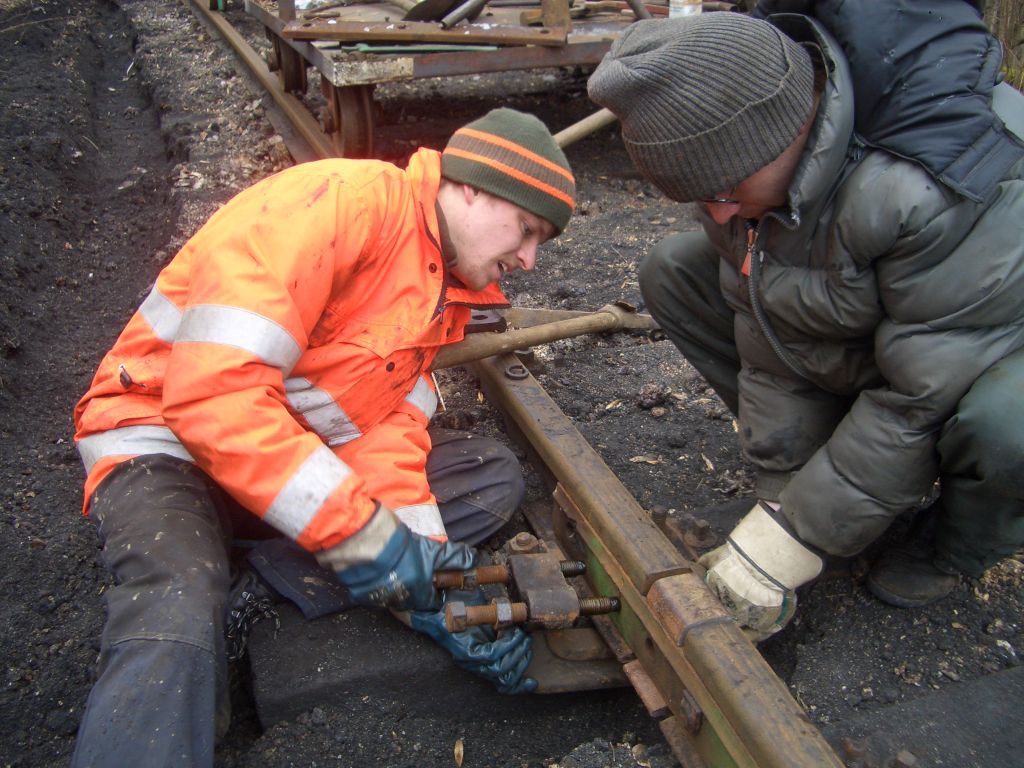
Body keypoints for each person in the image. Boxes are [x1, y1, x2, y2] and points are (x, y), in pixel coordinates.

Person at [70, 107, 575, 766]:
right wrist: (369, 541)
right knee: (176, 595)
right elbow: (213, 396)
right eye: (528, 229)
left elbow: (377, 426)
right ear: (474, 188)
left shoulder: (441, 288)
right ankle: (218, 581)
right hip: (162, 436)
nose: (530, 258)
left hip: (273, 455)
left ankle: (251, 570)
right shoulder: (338, 206)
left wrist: (433, 593)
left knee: (487, 475)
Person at [587, 4, 1024, 640]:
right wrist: (782, 493)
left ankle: (956, 545)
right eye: (702, 197)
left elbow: (919, 396)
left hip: (992, 339)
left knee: (1006, 422)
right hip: (909, 330)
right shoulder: (746, 184)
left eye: (727, 191)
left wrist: (792, 542)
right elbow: (769, 338)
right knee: (675, 268)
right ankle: (832, 484)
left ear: (783, 133)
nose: (718, 211)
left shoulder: (934, 181)